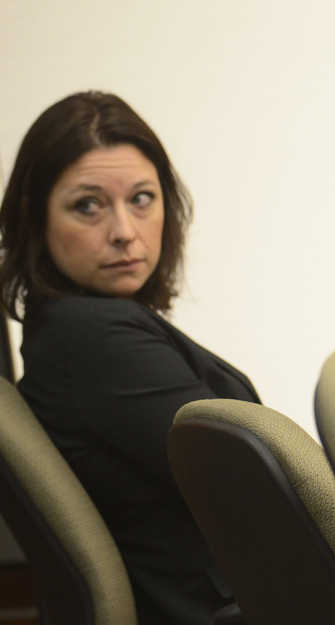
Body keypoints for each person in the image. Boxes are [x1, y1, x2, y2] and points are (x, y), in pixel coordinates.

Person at [0, 91, 258, 624]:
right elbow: (254, 480)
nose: (123, 231)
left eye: (142, 198)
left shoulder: (68, 334)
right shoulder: (91, 340)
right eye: (87, 205)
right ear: (36, 221)